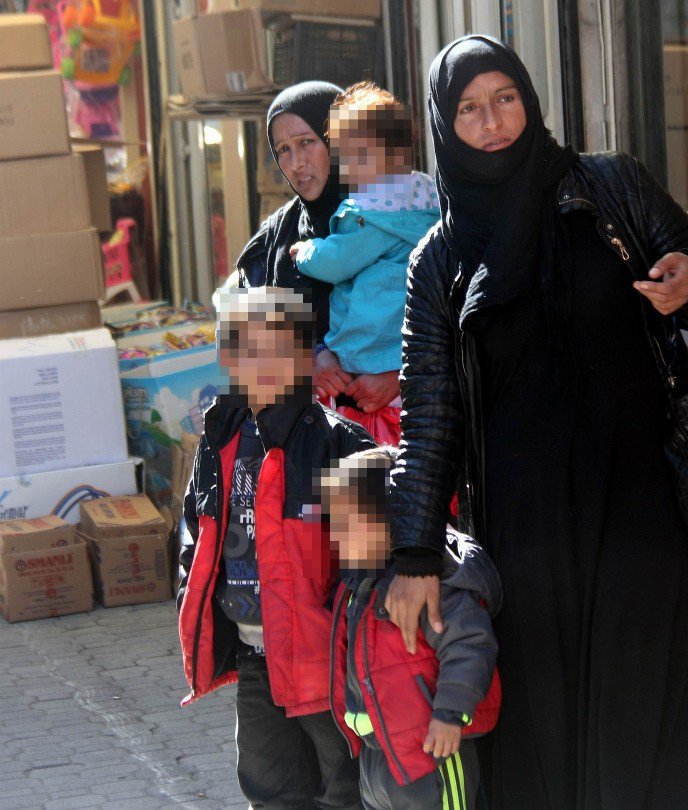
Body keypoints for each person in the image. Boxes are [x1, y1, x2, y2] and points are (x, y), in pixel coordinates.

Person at [385, 35, 688, 809]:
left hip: (646, 504)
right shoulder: (439, 260)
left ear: (530, 98)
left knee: (653, 708)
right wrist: (414, 553)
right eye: (470, 109)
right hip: (528, 534)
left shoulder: (610, 187)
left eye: (505, 98)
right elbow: (431, 411)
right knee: (546, 732)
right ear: (448, 126)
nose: (493, 122)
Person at [176, 286, 374, 809]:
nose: (263, 364)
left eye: (280, 349)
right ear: (227, 358)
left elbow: (373, 549)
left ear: (307, 359)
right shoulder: (220, 439)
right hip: (253, 655)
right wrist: (189, 594)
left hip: (323, 660)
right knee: (270, 788)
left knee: (346, 787)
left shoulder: (338, 444)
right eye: (247, 349)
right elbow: (195, 529)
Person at [325, 446, 501, 810]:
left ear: (393, 520)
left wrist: (450, 713)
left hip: (432, 750)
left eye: (348, 524)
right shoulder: (360, 585)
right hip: (379, 755)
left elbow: (469, 644)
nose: (337, 538)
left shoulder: (429, 586)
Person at [236, 81, 400, 419]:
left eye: (307, 142)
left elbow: (448, 323)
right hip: (308, 448)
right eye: (283, 150)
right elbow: (242, 344)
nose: (296, 163)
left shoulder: (395, 215)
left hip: (404, 439)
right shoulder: (273, 242)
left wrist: (397, 377)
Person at [291, 82, 440, 444]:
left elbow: (337, 260)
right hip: (403, 355)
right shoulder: (426, 197)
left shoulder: (372, 213)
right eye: (345, 155)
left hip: (374, 359)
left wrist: (305, 253)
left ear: (396, 153)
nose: (351, 168)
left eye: (307, 142)